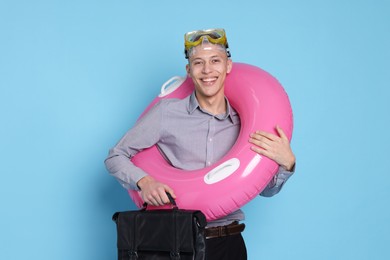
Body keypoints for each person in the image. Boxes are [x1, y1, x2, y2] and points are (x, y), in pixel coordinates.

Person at [105, 28, 295, 260]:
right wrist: (144, 181)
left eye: (215, 61)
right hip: (177, 241)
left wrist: (286, 165)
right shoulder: (167, 113)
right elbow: (115, 156)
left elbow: (264, 189)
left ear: (228, 66)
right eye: (198, 63)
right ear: (189, 70)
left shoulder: (245, 128)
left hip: (229, 242)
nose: (207, 71)